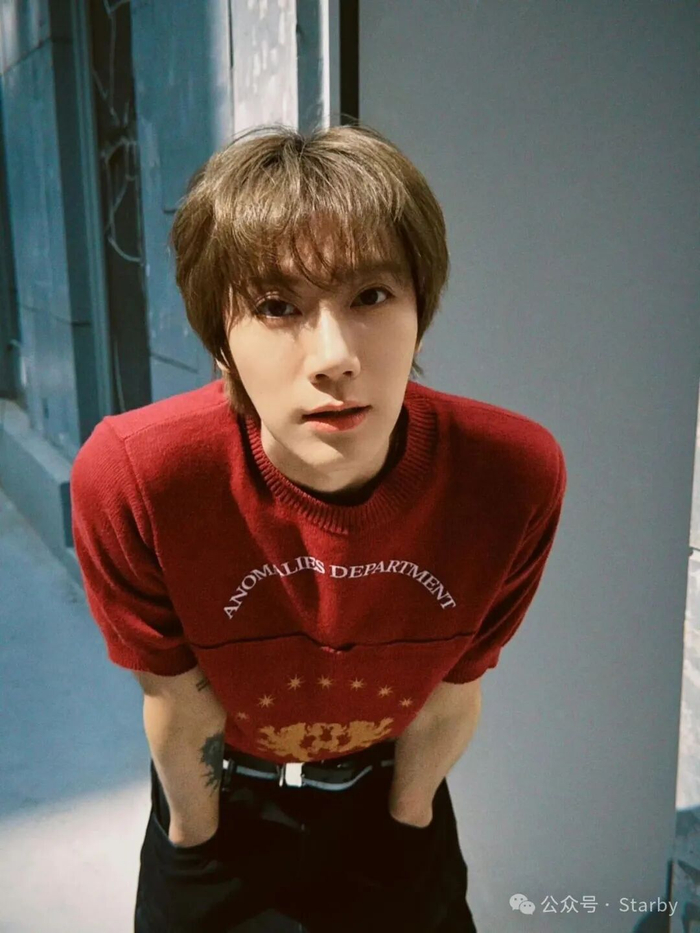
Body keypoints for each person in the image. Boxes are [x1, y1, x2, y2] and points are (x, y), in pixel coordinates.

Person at [70, 122, 567, 933]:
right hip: (223, 809)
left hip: (391, 800)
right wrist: (194, 839)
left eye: (371, 296)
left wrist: (408, 821)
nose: (333, 354)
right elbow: (179, 703)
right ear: (221, 340)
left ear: (420, 307)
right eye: (277, 306)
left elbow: (453, 691)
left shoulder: (509, 476)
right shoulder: (140, 477)